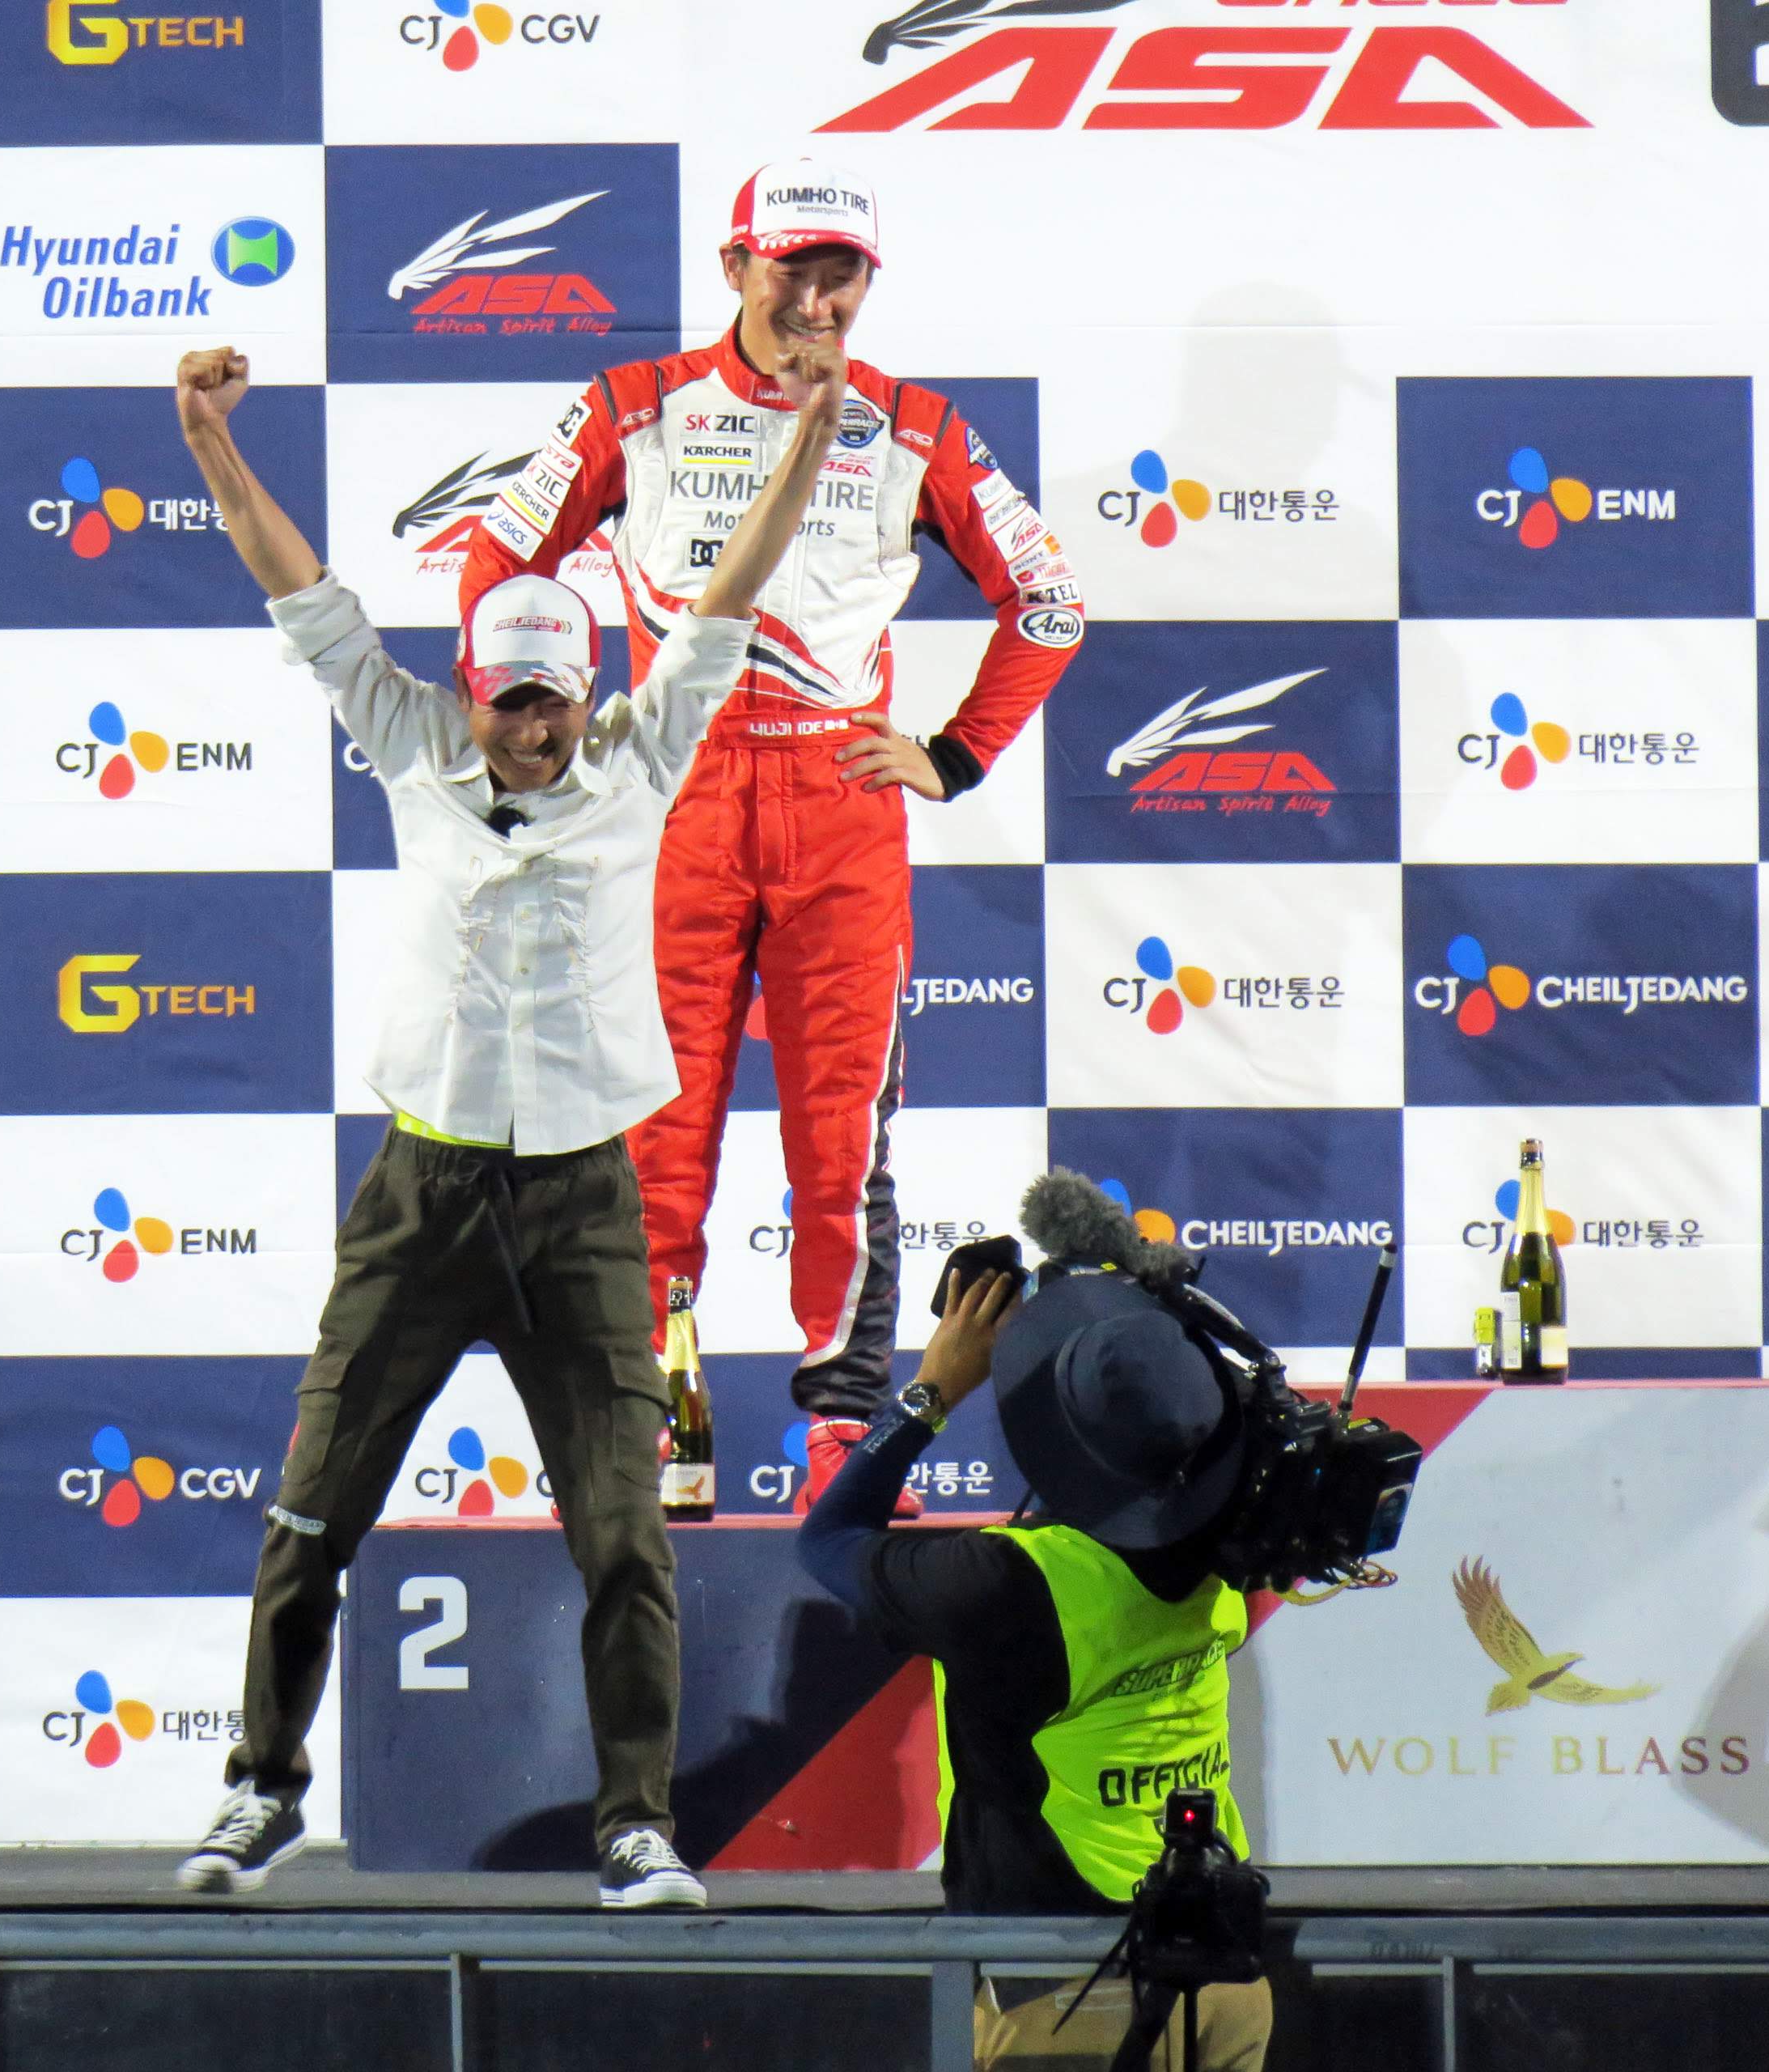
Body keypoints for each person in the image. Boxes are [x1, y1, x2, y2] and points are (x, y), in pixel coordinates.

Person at [168, 330, 846, 1908]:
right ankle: (259, 1791)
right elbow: (300, 590)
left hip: (588, 1206)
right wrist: (210, 442)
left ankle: (636, 1825)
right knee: (311, 1510)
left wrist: (807, 443)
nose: (528, 732)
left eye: (549, 703)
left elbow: (732, 589)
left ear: (588, 693)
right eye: (504, 703)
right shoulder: (409, 737)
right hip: (423, 1196)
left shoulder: (645, 754)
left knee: (624, 1536)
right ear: (465, 689)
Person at [459, 160, 1086, 1511]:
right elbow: (497, 569)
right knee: (652, 1132)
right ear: (736, 264)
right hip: (671, 808)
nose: (814, 298)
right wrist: (542, 734)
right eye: (790, 267)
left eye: (840, 274)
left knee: (841, 1142)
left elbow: (1047, 600)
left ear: (868, 283)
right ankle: (641, 1426)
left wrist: (956, 752)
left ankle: (843, 1442)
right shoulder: (636, 406)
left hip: (838, 806)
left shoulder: (916, 427)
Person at [799, 1247, 1273, 2070]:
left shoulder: (1010, 1582)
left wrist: (932, 1391)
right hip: (1228, 1975)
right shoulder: (1233, 1525)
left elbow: (829, 1537)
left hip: (1069, 1991)